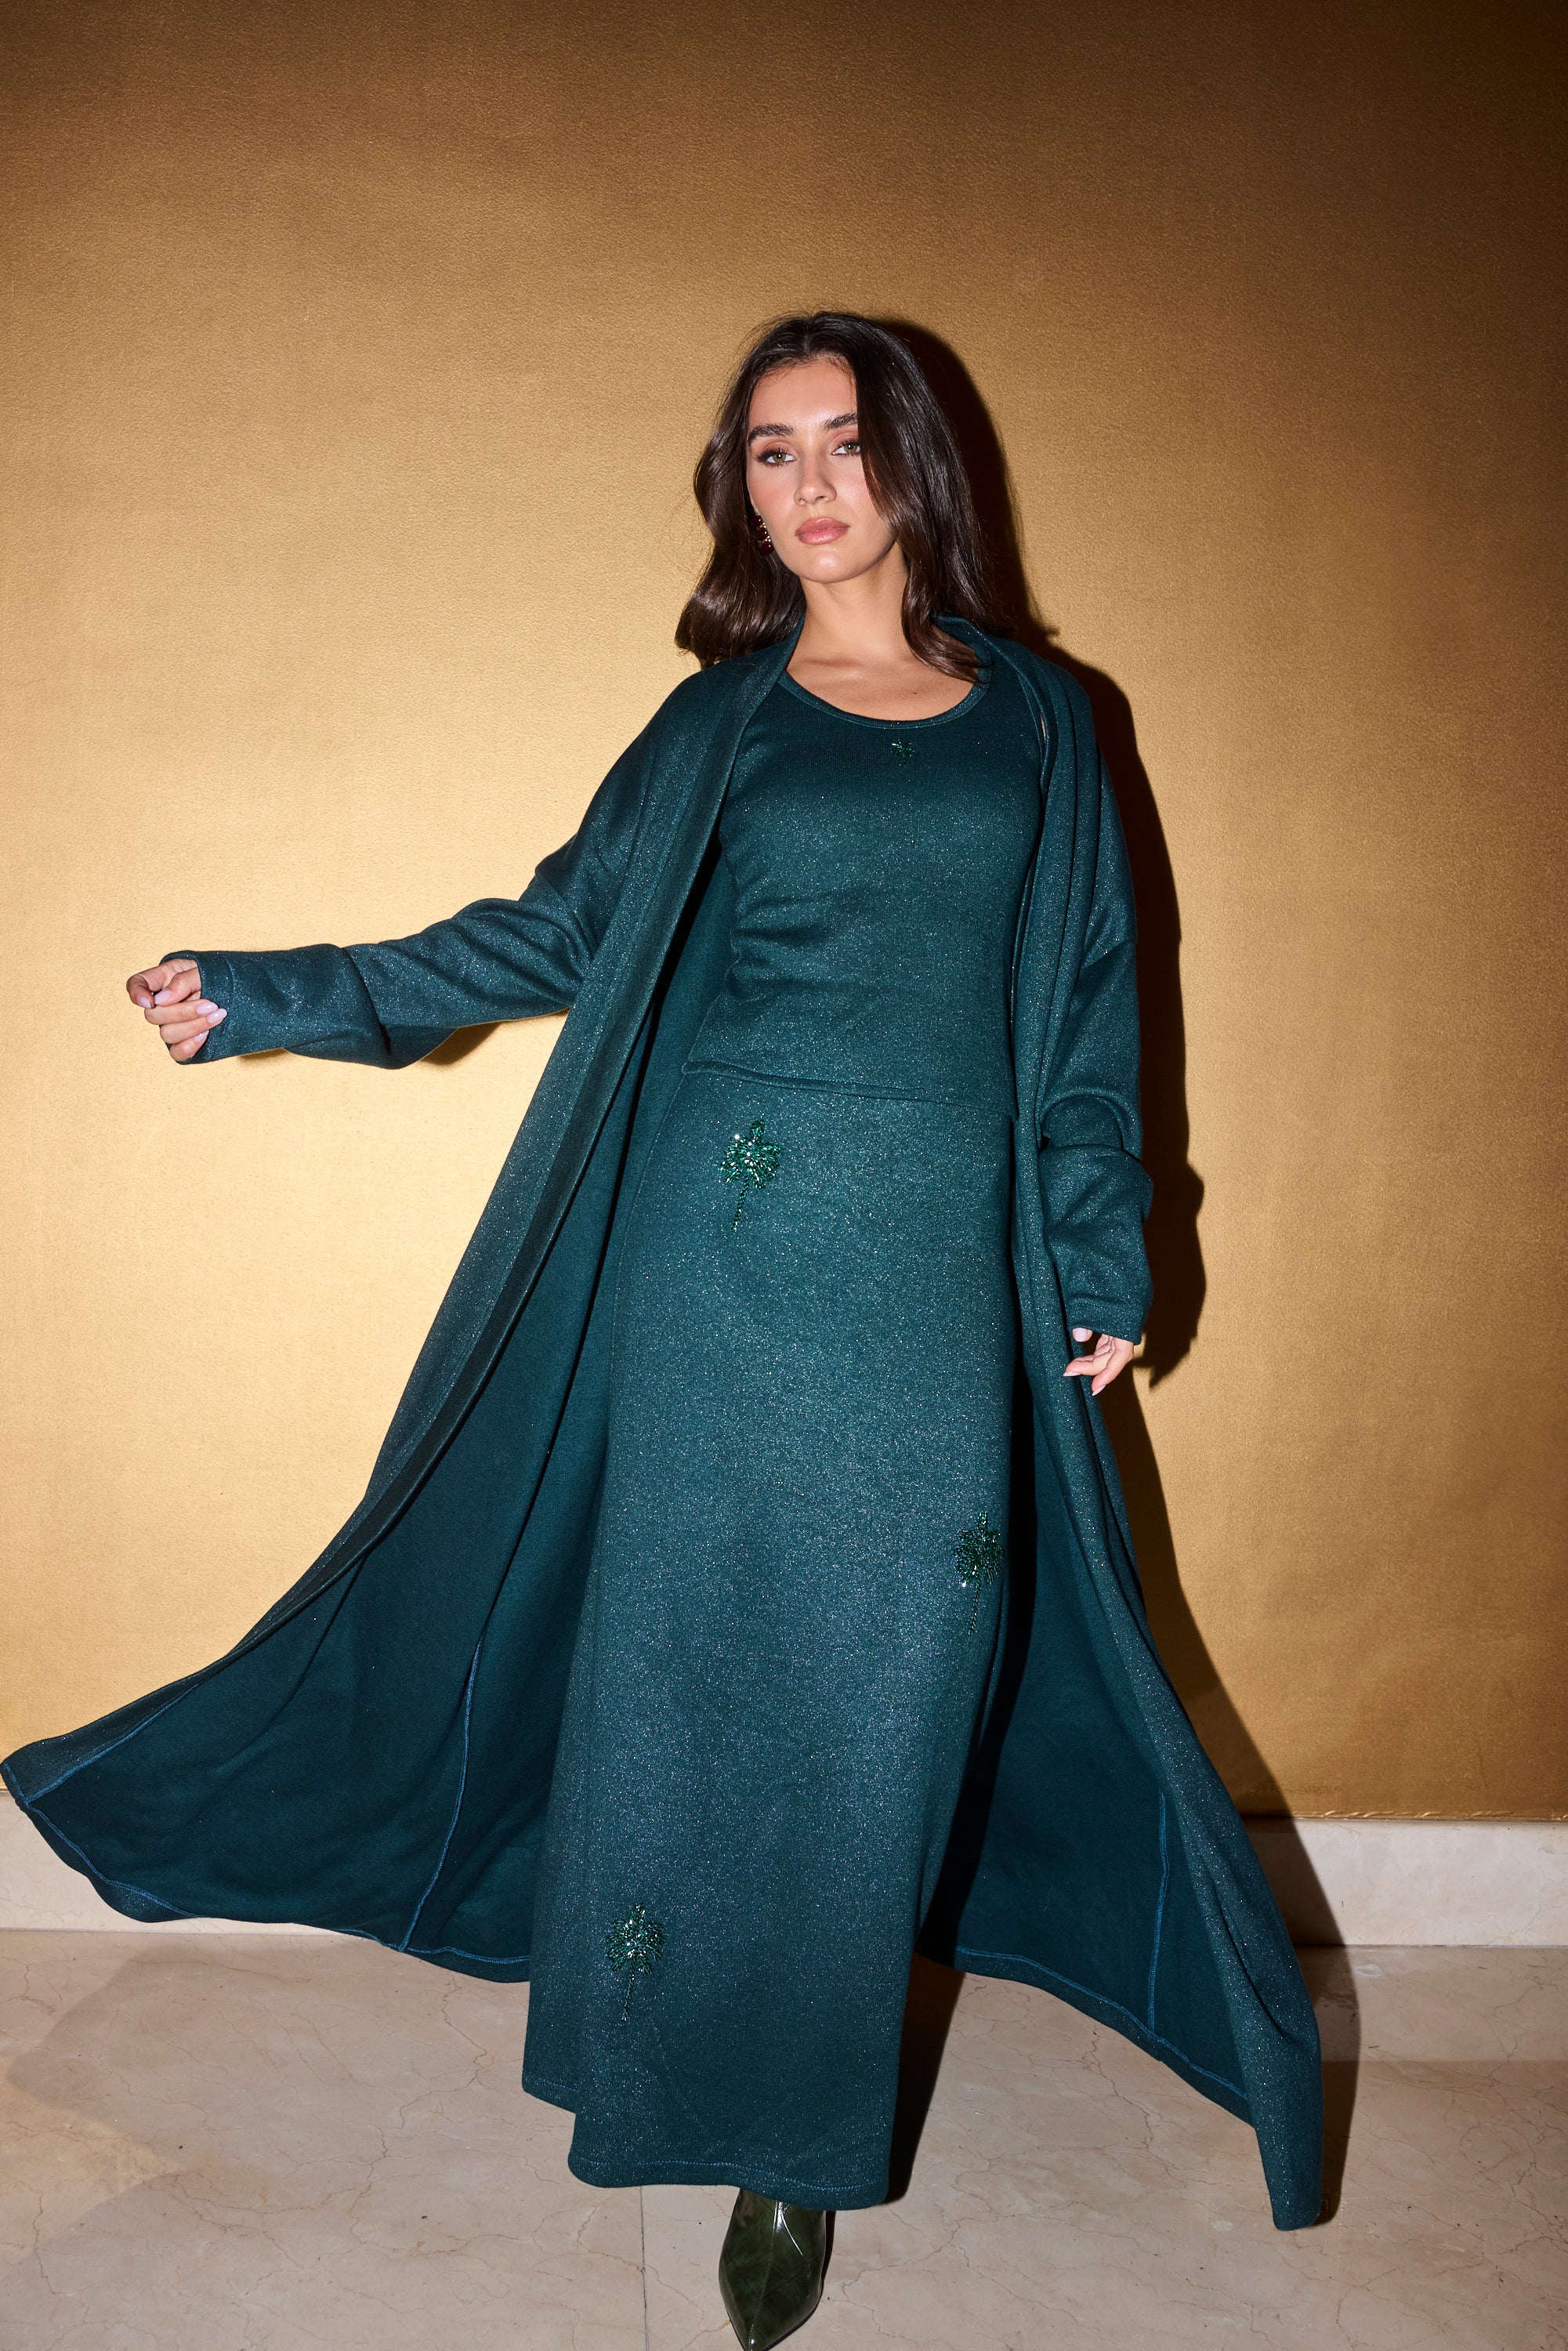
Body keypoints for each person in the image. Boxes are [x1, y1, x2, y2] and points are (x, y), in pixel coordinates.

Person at [4, 313, 1321, 2349]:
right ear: (740, 495)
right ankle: (727, 2118)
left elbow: (1087, 1009)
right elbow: (556, 930)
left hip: (927, 1284)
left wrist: (1101, 1250)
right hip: (721, 1265)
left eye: (841, 442)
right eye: (768, 454)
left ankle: (798, 2123)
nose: (808, 486)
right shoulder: (722, 722)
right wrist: (283, 992)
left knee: (879, 1702)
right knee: (700, 1698)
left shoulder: (1049, 721)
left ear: (916, 463)